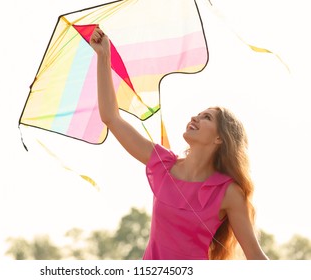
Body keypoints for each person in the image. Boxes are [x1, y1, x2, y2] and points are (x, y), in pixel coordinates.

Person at [90, 27, 268, 260]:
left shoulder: (228, 193)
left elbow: (255, 255)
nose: (195, 117)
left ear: (219, 138)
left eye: (207, 117)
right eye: (198, 113)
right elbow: (111, 118)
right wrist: (104, 57)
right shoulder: (162, 164)